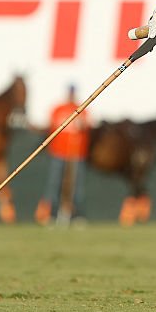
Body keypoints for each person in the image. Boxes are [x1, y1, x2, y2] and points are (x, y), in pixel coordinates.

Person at [35, 85, 90, 225]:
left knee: (76, 186)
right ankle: (52, 214)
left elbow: (88, 126)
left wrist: (81, 125)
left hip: (76, 154)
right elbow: (51, 126)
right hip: (58, 152)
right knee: (55, 184)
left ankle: (77, 215)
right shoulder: (58, 109)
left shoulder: (82, 108)